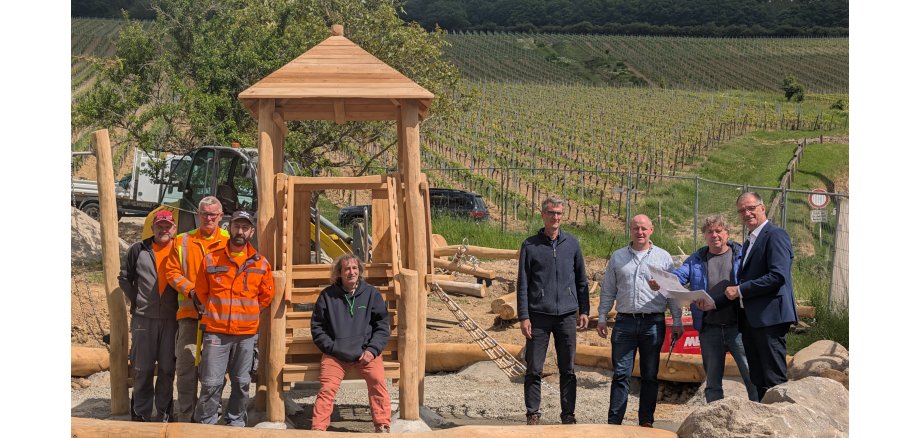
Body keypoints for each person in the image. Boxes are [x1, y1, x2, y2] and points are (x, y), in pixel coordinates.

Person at [651, 214, 758, 402]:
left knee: (752, 376)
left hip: (739, 328)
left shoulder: (740, 255)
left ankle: (759, 415)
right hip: (709, 329)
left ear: (727, 233)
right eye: (710, 232)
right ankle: (714, 418)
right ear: (704, 235)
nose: (714, 235)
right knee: (713, 383)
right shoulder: (696, 259)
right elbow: (678, 277)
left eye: (718, 231)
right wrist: (661, 282)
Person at [596, 214, 683, 428]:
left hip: (653, 323)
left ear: (651, 229)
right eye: (636, 228)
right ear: (630, 230)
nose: (640, 232)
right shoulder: (618, 257)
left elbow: (672, 292)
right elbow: (608, 290)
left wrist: (678, 320)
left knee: (650, 375)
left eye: (644, 228)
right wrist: (601, 316)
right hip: (624, 322)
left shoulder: (663, 258)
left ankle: (646, 422)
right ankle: (614, 422)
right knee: (621, 374)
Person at [193, 210, 274, 426]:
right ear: (229, 228)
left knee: (241, 383)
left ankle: (235, 424)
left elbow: (266, 296)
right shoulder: (211, 258)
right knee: (210, 383)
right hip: (216, 333)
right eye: (237, 226)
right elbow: (201, 292)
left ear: (251, 231)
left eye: (245, 227)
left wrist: (249, 314)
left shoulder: (261, 263)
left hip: (246, 335)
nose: (240, 231)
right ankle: (207, 425)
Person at [516, 197, 589, 426]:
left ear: (562, 215)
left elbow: (581, 280)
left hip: (567, 315)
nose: (555, 217)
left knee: (567, 368)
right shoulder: (530, 246)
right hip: (538, 316)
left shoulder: (572, 244)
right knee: (534, 368)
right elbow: (523, 284)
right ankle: (533, 414)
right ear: (542, 215)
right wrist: (524, 316)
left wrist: (584, 310)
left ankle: (568, 414)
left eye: (558, 213)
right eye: (550, 213)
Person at [163, 196, 230, 422]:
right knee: (185, 369)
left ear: (221, 217)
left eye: (213, 214)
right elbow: (172, 273)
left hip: (219, 319)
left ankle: (209, 416)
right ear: (197, 215)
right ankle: (185, 417)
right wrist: (193, 290)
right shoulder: (183, 241)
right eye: (204, 214)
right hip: (190, 316)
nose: (208, 218)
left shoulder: (230, 241)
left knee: (215, 372)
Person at [725, 192, 797, 401]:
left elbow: (778, 276)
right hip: (752, 319)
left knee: (774, 378)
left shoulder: (775, 235)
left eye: (751, 208)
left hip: (770, 318)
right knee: (757, 377)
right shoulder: (749, 242)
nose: (747, 213)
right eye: (742, 210)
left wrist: (740, 290)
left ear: (762, 207)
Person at [310, 254, 392, 433]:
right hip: (335, 354)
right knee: (327, 388)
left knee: (377, 382)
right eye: (346, 269)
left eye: (355, 268)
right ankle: (318, 429)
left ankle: (383, 425)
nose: (351, 272)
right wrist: (333, 348)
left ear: (360, 271)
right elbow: (317, 328)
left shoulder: (372, 294)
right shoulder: (327, 296)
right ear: (339, 273)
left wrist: (372, 350)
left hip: (366, 353)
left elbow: (382, 327)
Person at [118, 209, 179, 422]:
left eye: (168, 226)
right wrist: (138, 299)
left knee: (167, 368)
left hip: (172, 319)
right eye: (159, 225)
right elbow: (124, 278)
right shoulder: (139, 249)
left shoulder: (180, 250)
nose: (164, 229)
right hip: (144, 319)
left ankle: (163, 413)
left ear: (174, 229)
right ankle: (141, 413)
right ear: (152, 227)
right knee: (142, 368)